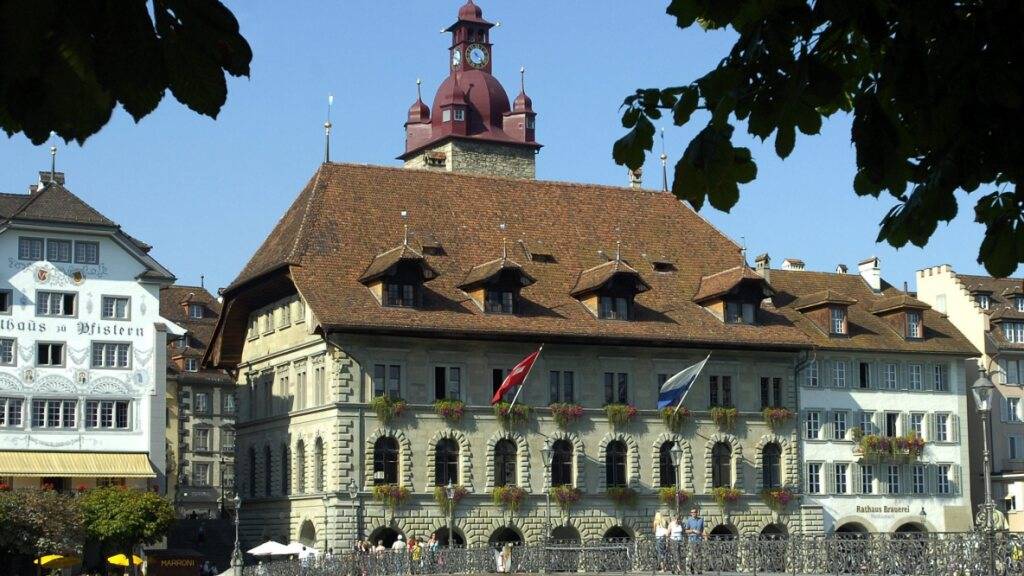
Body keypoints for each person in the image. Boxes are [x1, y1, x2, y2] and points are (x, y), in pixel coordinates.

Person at [684, 508, 706, 574]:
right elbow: (685, 530)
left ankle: (699, 569)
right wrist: (693, 530)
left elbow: (703, 530)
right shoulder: (689, 520)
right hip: (691, 540)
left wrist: (705, 537)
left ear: (697, 512)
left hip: (699, 540)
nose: (693, 513)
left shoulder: (701, 520)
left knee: (698, 555)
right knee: (692, 555)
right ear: (691, 513)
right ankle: (692, 568)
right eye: (692, 512)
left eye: (695, 512)